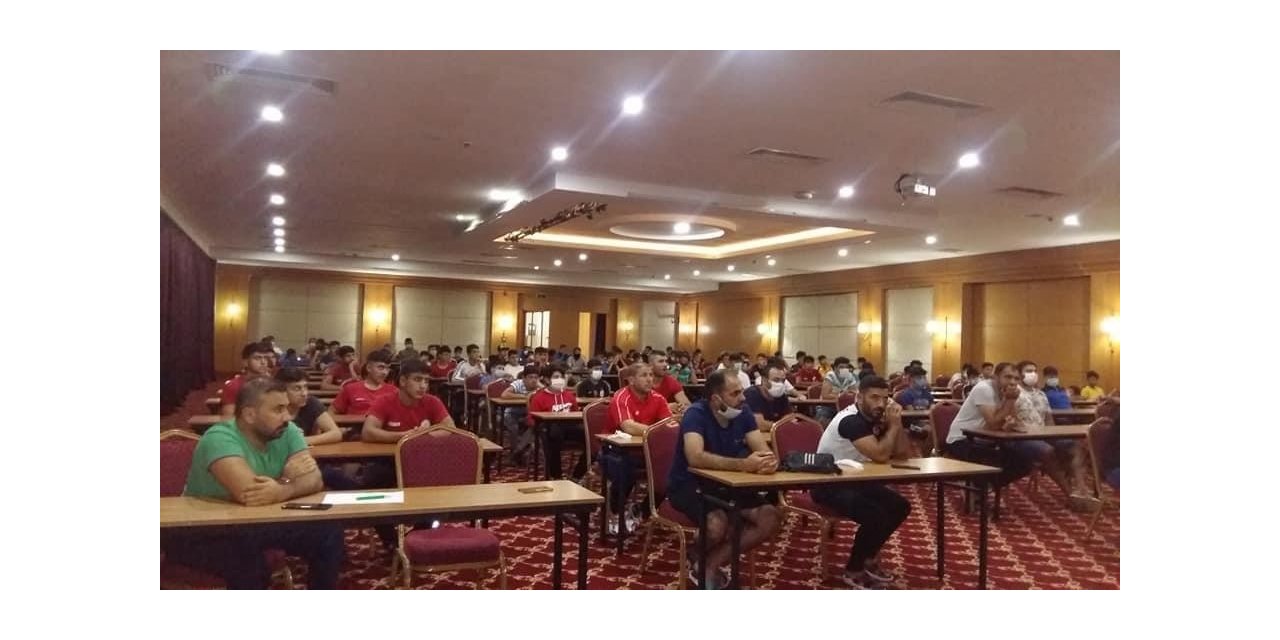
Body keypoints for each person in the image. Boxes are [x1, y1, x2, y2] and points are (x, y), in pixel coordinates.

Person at [167, 378, 343, 589]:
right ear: (250, 415)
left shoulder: (287, 430)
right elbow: (250, 494)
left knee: (327, 532)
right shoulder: (219, 438)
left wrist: (282, 489)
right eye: (278, 410)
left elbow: (314, 479)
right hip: (202, 530)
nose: (287, 417)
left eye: (287, 408)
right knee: (250, 565)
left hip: (253, 524)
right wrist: (287, 479)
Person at [666, 371, 782, 589]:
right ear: (716, 399)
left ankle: (710, 564)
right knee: (717, 525)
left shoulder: (743, 412)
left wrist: (769, 462)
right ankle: (696, 554)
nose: (743, 397)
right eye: (735, 393)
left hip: (728, 485)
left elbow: (763, 450)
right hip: (690, 484)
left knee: (770, 517)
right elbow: (695, 456)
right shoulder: (695, 414)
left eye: (741, 391)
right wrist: (743, 465)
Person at [813, 376, 912, 589]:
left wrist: (897, 423)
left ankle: (868, 558)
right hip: (828, 483)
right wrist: (893, 427)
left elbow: (903, 453)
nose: (880, 404)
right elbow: (880, 455)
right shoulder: (850, 420)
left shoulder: (877, 417)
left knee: (900, 506)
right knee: (875, 515)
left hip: (857, 480)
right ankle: (854, 569)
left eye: (885, 399)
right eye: (874, 397)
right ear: (859, 397)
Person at [1011, 361, 1092, 510]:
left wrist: (1055, 434)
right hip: (1024, 437)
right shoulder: (1014, 393)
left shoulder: (1041, 394)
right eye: (1028, 371)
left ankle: (1081, 489)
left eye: (1034, 370)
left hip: (1045, 434)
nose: (1032, 374)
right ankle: (1070, 494)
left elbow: (1049, 419)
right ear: (1019, 374)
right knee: (1047, 451)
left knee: (1076, 446)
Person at [361, 358, 454, 443]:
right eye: (417, 379)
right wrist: (405, 436)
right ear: (403, 381)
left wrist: (422, 435)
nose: (423, 386)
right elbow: (367, 432)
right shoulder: (384, 401)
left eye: (426, 381)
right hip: (391, 454)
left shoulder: (433, 401)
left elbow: (451, 429)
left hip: (423, 452)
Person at [532, 365, 587, 481]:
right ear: (547, 380)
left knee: (592, 440)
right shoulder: (539, 397)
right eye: (556, 377)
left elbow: (575, 413)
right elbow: (532, 419)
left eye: (561, 377)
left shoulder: (569, 395)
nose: (560, 380)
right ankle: (556, 476)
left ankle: (577, 476)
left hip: (570, 428)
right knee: (554, 435)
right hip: (548, 430)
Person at [275, 367, 341, 446]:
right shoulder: (271, 407)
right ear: (282, 391)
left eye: (305, 387)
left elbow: (336, 433)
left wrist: (300, 441)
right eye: (297, 388)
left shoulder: (311, 402)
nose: (304, 393)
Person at [331, 349, 398, 416]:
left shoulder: (394, 391)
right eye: (381, 367)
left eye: (387, 368)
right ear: (368, 368)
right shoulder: (350, 389)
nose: (385, 372)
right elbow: (331, 412)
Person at [219, 341, 275, 419]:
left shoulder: (274, 384)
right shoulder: (233, 386)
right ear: (245, 362)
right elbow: (229, 418)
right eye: (257, 358)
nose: (263, 362)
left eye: (266, 358)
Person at [501, 366, 543, 464]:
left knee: (536, 426)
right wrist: (525, 396)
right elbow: (504, 395)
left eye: (536, 377)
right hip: (512, 413)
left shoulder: (538, 387)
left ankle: (517, 452)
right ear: (524, 378)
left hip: (528, 414)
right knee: (513, 427)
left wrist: (540, 386)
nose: (533, 380)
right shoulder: (518, 383)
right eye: (530, 377)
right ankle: (517, 452)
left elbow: (547, 393)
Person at [743, 361, 792, 432]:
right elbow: (759, 425)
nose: (781, 384)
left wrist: (772, 425)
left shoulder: (782, 395)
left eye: (783, 380)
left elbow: (789, 420)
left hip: (774, 434)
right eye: (776, 380)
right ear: (764, 380)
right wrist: (780, 425)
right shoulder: (752, 394)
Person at [817, 356, 859, 424]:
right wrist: (840, 396)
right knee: (823, 417)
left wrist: (848, 394)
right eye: (841, 367)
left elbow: (854, 392)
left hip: (844, 406)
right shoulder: (830, 375)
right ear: (835, 368)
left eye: (846, 367)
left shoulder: (849, 375)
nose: (844, 370)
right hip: (828, 406)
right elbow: (825, 395)